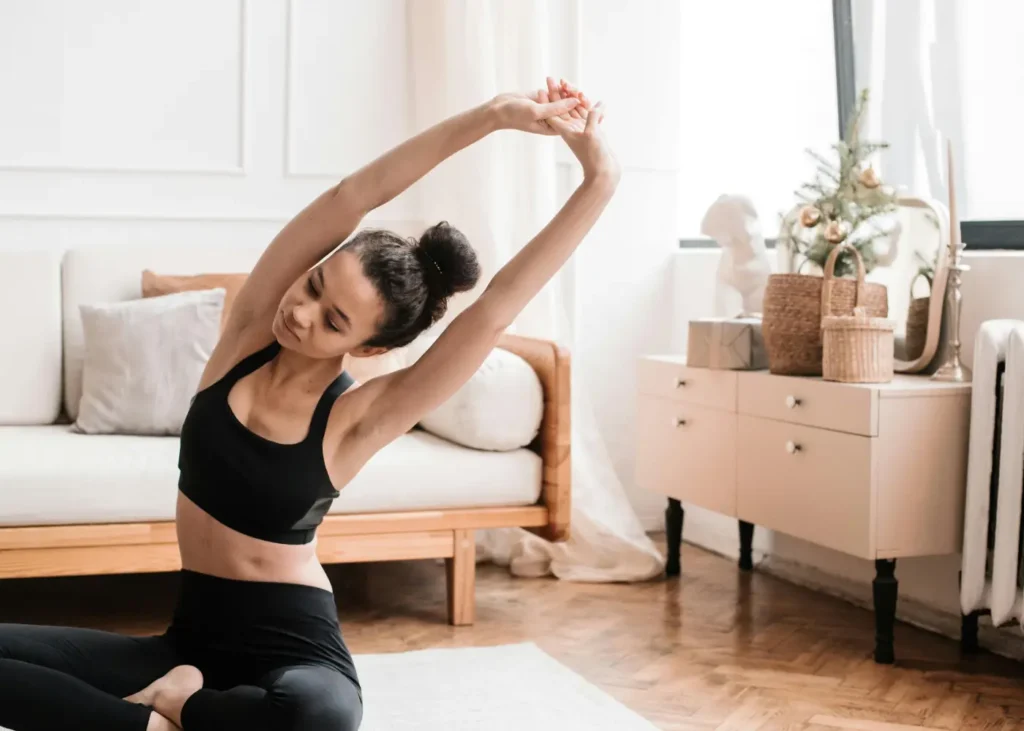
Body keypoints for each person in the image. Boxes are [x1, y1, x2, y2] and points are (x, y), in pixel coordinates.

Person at [0, 76, 618, 731]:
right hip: (187, 642)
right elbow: (353, 196)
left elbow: (494, 310)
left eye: (334, 320)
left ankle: (183, 708)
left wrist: (598, 180)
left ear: (370, 348)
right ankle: (169, 717)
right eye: (314, 284)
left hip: (291, 650)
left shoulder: (359, 420)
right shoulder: (246, 333)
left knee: (319, 718)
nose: (301, 313)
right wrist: (493, 115)